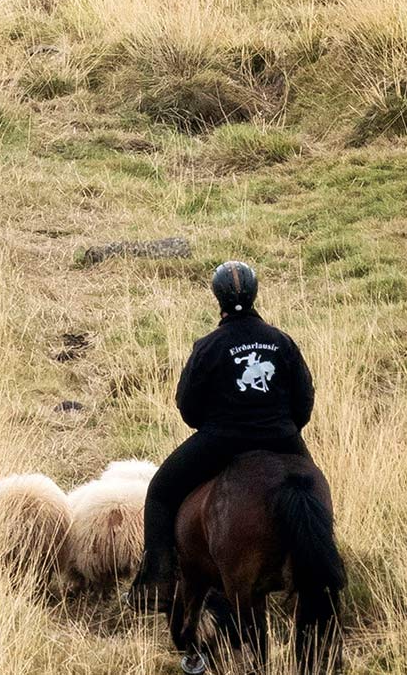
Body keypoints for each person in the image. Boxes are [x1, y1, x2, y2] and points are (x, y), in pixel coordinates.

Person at [130, 260, 316, 611]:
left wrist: (213, 427)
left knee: (160, 491)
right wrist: (284, 427)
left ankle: (158, 583)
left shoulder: (209, 346)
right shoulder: (281, 342)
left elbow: (188, 408)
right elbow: (304, 400)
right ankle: (324, 561)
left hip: (221, 442)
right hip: (281, 439)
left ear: (217, 298)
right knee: (313, 497)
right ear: (255, 292)